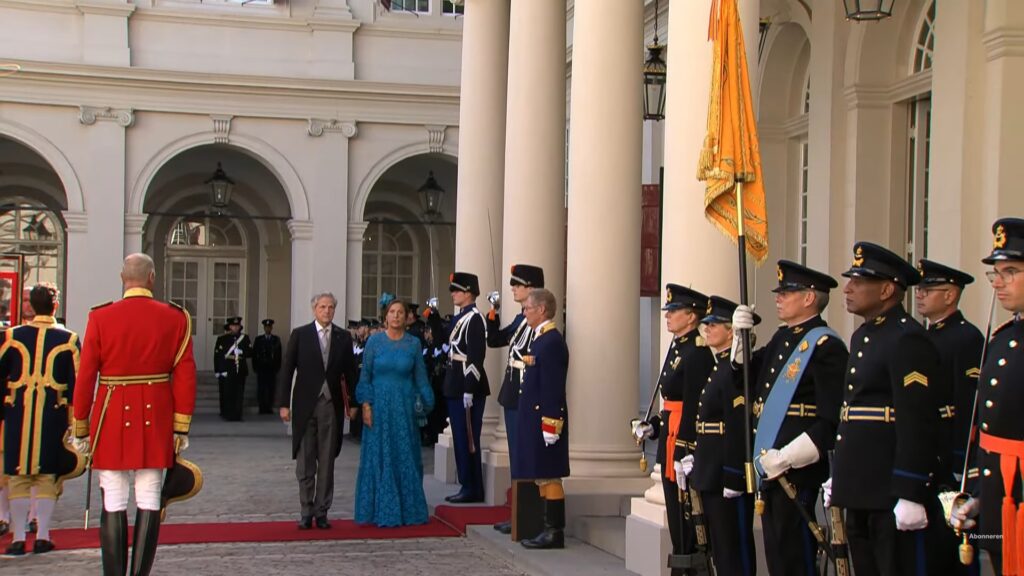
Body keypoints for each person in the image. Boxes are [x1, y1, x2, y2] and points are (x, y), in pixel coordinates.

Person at [829, 242, 951, 575]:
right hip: (860, 486)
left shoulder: (906, 338)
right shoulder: (863, 336)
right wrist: (840, 475)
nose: (848, 288)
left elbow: (916, 420)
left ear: (886, 289)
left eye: (858, 281)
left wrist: (910, 489)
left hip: (888, 489)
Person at [72, 253, 197, 576]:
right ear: (152, 278)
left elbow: (86, 375)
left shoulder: (100, 317)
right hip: (156, 413)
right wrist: (180, 425)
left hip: (111, 410)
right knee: (149, 496)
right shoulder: (175, 317)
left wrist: (81, 425)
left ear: (121, 277)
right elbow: (185, 374)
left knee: (113, 497)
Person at [732, 260, 847, 575]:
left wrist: (787, 457)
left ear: (810, 297)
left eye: (787, 292)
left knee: (795, 557)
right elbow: (745, 381)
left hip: (795, 471)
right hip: (770, 465)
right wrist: (738, 342)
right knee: (778, 556)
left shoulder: (825, 346)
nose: (778, 297)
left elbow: (830, 419)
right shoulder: (782, 339)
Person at [950, 217, 1024, 575]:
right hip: (999, 495)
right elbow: (986, 431)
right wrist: (978, 492)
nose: (999, 282)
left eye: (1010, 271)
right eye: (995, 273)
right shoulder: (1000, 339)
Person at [632, 284, 715, 574]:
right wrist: (654, 426)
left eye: (674, 311)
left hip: (682, 441)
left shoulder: (698, 351)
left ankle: (688, 565)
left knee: (687, 514)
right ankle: (680, 561)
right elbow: (671, 402)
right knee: (675, 511)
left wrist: (685, 447)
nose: (667, 316)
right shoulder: (678, 347)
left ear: (692, 317)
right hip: (670, 434)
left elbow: (693, 404)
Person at [0, 284, 78, 555]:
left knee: (18, 476)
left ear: (31, 305)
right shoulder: (68, 339)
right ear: (55, 305)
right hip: (52, 416)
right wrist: (78, 422)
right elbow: (76, 383)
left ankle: (18, 538)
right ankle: (43, 535)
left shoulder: (11, 336)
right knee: (47, 476)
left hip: (17, 414)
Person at [686, 296, 758, 575]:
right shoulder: (719, 366)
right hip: (711, 464)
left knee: (733, 547)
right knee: (720, 545)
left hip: (725, 468)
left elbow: (737, 423)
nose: (707, 329)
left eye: (714, 324)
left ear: (731, 330)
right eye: (706, 324)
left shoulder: (735, 369)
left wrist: (733, 473)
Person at [276, 292, 358, 530]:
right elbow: (287, 370)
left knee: (327, 461)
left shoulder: (343, 337)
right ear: (314, 309)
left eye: (331, 307)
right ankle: (305, 509)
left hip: (330, 407)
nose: (327, 311)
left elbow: (351, 373)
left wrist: (352, 403)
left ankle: (322, 511)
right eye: (322, 307)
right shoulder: (300, 335)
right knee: (305, 462)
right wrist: (283, 404)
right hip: (304, 406)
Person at [354, 299, 434, 527]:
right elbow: (365, 376)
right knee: (379, 456)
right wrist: (366, 405)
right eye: (392, 312)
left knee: (405, 455)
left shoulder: (413, 344)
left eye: (401, 312)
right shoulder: (374, 342)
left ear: (407, 317)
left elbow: (420, 377)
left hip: (404, 408)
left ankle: (408, 510)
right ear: (385, 316)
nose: (396, 316)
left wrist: (427, 403)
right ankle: (378, 511)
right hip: (379, 408)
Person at [486, 263, 544, 534]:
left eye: (518, 285)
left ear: (531, 288)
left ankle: (526, 516)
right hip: (512, 394)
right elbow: (497, 340)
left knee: (524, 458)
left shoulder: (537, 323)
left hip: (524, 396)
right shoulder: (522, 319)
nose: (513, 289)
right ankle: (517, 514)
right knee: (516, 458)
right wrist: (493, 315)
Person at [916, 259, 985, 483]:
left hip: (947, 450)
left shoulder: (966, 338)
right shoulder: (923, 336)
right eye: (919, 289)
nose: (919, 295)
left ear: (949, 295)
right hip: (927, 446)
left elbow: (967, 403)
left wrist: (961, 460)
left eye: (927, 290)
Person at [426, 272, 489, 503]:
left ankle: (472, 486)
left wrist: (469, 389)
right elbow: (445, 341)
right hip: (455, 383)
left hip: (466, 385)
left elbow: (475, 357)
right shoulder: (460, 317)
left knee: (468, 439)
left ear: (469, 292)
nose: (453, 294)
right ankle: (467, 484)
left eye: (457, 290)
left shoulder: (475, 318)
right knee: (461, 438)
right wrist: (433, 318)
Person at [514, 288, 569, 549]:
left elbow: (552, 386)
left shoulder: (552, 342)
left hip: (545, 418)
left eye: (528, 308)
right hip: (534, 416)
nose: (525, 312)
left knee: (550, 475)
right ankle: (545, 525)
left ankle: (554, 530)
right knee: (541, 474)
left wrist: (551, 422)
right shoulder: (540, 339)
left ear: (542, 310)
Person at [214, 316, 250, 421]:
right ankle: (228, 414)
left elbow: (250, 352)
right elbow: (218, 356)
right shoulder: (222, 339)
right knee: (228, 393)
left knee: (239, 394)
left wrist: (242, 352)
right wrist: (218, 370)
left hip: (240, 370)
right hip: (227, 370)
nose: (235, 328)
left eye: (237, 326)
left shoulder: (244, 338)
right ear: (229, 327)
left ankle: (238, 415)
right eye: (233, 326)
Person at [252, 319, 283, 415]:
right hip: (261, 368)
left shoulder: (276, 340)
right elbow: (254, 354)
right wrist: (255, 367)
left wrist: (277, 368)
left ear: (271, 328)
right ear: (264, 328)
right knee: (261, 389)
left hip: (271, 368)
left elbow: (279, 355)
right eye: (266, 327)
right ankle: (262, 407)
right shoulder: (259, 339)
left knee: (271, 389)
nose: (267, 329)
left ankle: (269, 407)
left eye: (269, 327)